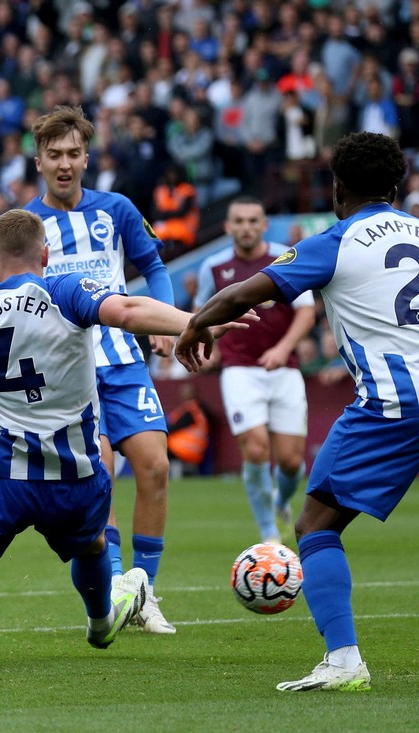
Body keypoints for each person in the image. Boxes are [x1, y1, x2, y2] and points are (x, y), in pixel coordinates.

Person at [0, 209, 249, 672]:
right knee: (90, 547)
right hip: (76, 474)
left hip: (0, 477)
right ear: (46, 254)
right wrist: (194, 320)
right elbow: (128, 310)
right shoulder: (65, 291)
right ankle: (100, 621)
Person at [176, 131, 412, 692]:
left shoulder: (336, 240)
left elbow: (243, 295)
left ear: (336, 189)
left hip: (393, 404)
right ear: (398, 187)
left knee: (315, 526)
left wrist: (194, 325)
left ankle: (344, 660)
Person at [23, 106, 177, 634]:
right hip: (69, 372)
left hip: (124, 359)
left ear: (87, 157)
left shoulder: (117, 209)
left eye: (73, 154)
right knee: (103, 477)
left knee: (155, 466)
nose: (64, 164)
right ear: (38, 160)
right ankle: (113, 589)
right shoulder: (25, 225)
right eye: (54, 155)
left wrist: (165, 324)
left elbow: (155, 269)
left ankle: (144, 592)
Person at [194, 196, 316, 543]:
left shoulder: (285, 258)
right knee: (257, 450)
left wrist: (283, 348)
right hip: (239, 370)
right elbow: (200, 312)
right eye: (239, 221)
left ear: (264, 225)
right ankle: (268, 534)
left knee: (292, 462)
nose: (246, 227)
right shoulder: (214, 268)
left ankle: (279, 501)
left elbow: (306, 311)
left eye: (253, 221)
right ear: (228, 226)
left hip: (284, 368)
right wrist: (210, 345)